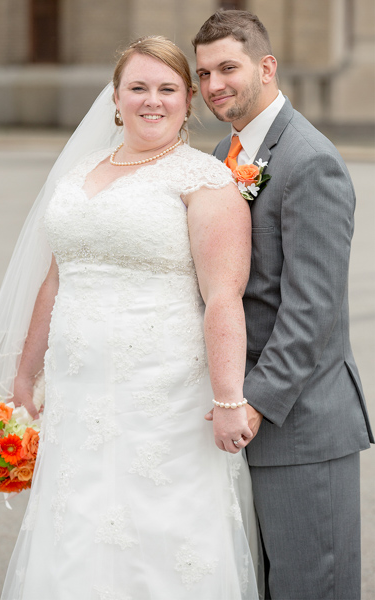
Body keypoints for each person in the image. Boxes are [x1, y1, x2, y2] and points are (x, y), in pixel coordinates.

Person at [0, 36, 260, 598]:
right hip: (78, 394)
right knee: (77, 524)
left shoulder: (204, 182)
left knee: (161, 531)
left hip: (166, 394)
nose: (151, 101)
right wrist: (24, 373)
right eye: (137, 88)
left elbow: (223, 297)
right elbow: (56, 280)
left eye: (167, 89)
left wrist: (230, 398)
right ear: (115, 98)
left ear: (188, 100)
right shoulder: (80, 170)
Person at [193, 10, 373, 598]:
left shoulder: (309, 161)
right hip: (247, 415)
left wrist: (254, 407)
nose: (214, 84)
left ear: (266, 67)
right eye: (203, 74)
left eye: (228, 68)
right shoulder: (226, 150)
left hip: (301, 425)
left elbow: (312, 310)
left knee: (309, 586)